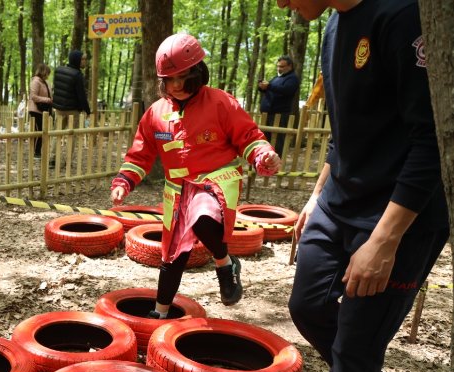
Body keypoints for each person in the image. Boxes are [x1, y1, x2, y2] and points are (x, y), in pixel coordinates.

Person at [276, 0, 449, 372]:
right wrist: (317, 195)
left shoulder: (405, 16)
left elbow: (431, 143)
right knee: (308, 307)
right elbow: (344, 132)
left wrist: (386, 240)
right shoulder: (334, 26)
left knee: (357, 340)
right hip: (339, 202)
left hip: (400, 216)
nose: (280, 3)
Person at [109, 33, 281, 319]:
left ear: (199, 72)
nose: (176, 86)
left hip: (216, 180)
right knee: (173, 253)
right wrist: (124, 182)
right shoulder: (156, 114)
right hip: (177, 189)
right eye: (169, 80)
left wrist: (263, 155)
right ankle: (160, 312)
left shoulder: (220, 103)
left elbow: (248, 137)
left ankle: (225, 262)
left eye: (183, 77)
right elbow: (140, 155)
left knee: (201, 217)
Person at [257, 55, 299, 156]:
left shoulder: (292, 78)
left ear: (290, 66)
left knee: (277, 140)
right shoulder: (276, 78)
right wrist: (262, 87)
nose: (279, 68)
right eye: (278, 66)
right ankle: (264, 160)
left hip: (279, 114)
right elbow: (271, 89)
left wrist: (269, 86)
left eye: (282, 66)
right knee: (265, 139)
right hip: (267, 114)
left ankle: (276, 162)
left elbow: (287, 90)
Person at [52, 49, 91, 129]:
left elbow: (56, 89)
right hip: (72, 110)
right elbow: (81, 95)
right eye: (82, 59)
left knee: (56, 134)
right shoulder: (77, 75)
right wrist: (87, 111)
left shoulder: (58, 70)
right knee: (73, 135)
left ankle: (53, 142)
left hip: (59, 109)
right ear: (77, 60)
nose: (85, 61)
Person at [27, 64, 52, 158]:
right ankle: (36, 152)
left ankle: (37, 151)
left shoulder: (46, 82)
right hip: (35, 110)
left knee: (43, 131)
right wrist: (47, 100)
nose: (48, 75)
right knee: (39, 131)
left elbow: (49, 95)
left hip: (43, 110)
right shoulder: (36, 81)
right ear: (43, 72)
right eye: (47, 73)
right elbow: (33, 96)